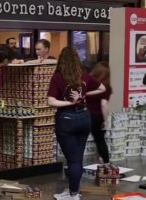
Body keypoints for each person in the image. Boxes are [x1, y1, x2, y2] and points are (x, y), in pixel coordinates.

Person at [47, 47, 105, 200]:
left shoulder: (58, 78)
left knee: (73, 160)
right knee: (77, 159)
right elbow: (102, 88)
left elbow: (51, 101)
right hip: (84, 118)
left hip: (67, 121)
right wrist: (84, 95)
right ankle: (73, 190)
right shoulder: (84, 76)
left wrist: (69, 102)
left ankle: (73, 195)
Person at [87, 62, 112, 164]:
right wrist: (106, 120)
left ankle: (73, 165)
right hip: (97, 116)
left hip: (84, 114)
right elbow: (103, 104)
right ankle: (106, 164)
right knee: (100, 140)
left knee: (80, 140)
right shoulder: (106, 87)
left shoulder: (87, 83)